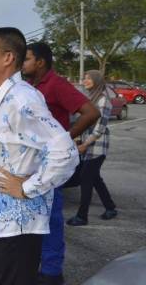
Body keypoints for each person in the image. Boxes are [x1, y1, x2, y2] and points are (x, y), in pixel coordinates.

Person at [0, 27, 79, 285]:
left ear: (8, 57)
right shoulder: (1, 96)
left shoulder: (22, 100)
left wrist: (28, 187)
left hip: (19, 221)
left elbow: (65, 152)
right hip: (4, 220)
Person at [22, 42, 100, 285]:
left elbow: (91, 112)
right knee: (34, 219)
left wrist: (64, 138)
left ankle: (52, 273)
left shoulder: (56, 84)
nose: (22, 64)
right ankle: (35, 267)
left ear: (40, 62)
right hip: (31, 164)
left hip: (49, 165)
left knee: (51, 219)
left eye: (26, 59)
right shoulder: (29, 87)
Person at [65, 70, 118, 226]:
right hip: (87, 144)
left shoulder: (103, 100)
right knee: (95, 179)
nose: (85, 80)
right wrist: (77, 140)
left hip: (97, 146)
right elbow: (81, 122)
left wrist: (85, 144)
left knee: (86, 179)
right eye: (85, 78)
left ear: (97, 80)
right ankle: (110, 207)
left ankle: (82, 216)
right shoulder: (90, 98)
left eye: (89, 78)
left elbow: (100, 129)